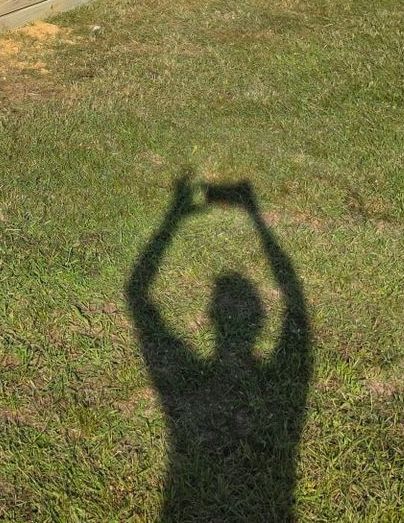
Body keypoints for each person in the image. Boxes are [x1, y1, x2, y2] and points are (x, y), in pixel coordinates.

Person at [127, 173, 311, 523]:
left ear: (210, 317)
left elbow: (137, 294)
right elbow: (294, 300)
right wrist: (256, 217)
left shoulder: (183, 381)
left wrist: (173, 216)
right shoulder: (288, 386)